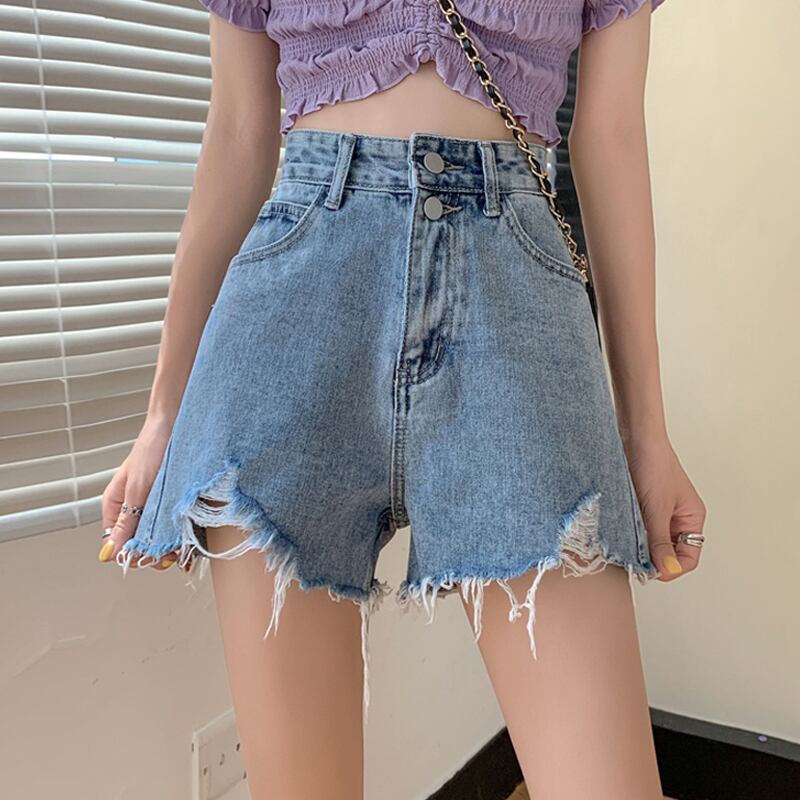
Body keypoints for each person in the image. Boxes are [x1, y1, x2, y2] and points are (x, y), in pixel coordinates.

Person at [98, 1, 707, 797]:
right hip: (294, 308)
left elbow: (612, 135)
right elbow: (240, 132)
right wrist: (161, 419)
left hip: (514, 299)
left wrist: (647, 437)